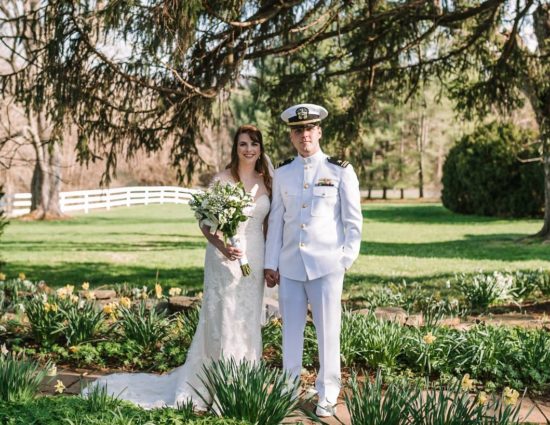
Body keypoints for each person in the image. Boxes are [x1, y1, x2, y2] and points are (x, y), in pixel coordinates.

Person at [86, 124, 272, 409]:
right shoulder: (222, 180)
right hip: (224, 260)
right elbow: (205, 223)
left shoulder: (268, 180)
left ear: (261, 148)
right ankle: (219, 387)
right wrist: (223, 246)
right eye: (243, 144)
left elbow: (270, 225)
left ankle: (245, 383)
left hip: (255, 258)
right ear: (236, 148)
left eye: (254, 144)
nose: (249, 149)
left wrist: (270, 261)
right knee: (222, 319)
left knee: (246, 320)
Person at [264, 104, 363, 417]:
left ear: (319, 131)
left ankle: (328, 391)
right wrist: (271, 262)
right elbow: (277, 221)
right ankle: (288, 387)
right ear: (291, 136)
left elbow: (353, 221)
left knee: (327, 331)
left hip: (326, 266)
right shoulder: (282, 174)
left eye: (309, 129)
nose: (304, 134)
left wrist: (344, 259)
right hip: (291, 265)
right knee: (290, 331)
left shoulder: (339, 170)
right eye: (297, 130)